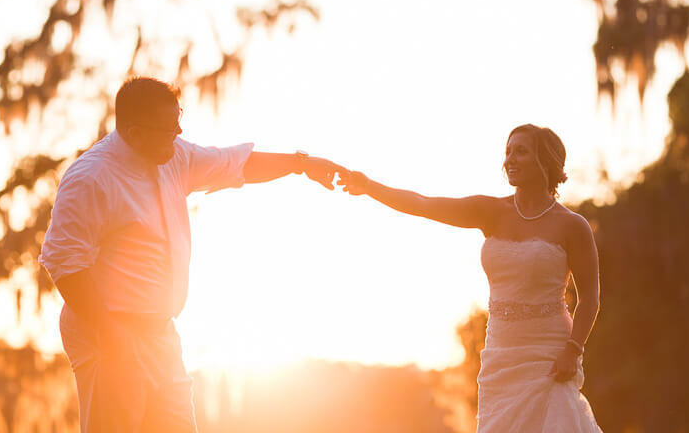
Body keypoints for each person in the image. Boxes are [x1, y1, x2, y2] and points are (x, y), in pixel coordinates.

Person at [38, 76, 340, 432]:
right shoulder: (91, 178)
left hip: (161, 333)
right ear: (135, 134)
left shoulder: (173, 155)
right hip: (109, 333)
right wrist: (112, 336)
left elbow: (234, 164)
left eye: (178, 119)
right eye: (169, 128)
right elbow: (65, 263)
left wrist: (299, 164)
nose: (179, 132)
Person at [337, 124, 602, 432]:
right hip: (501, 353)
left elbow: (590, 299)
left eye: (521, 151)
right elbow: (423, 204)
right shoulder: (490, 211)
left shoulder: (572, 226)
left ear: (545, 159)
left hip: (550, 353)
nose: (510, 159)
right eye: (507, 151)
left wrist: (573, 349)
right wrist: (369, 186)